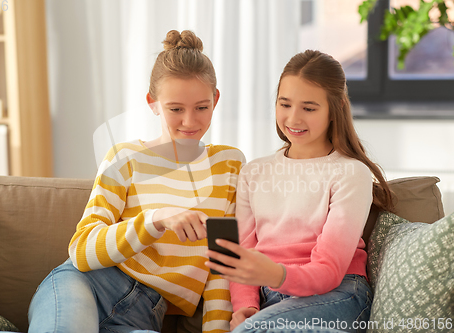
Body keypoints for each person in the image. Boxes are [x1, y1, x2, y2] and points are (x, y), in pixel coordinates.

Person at [27, 30, 245, 333]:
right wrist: (156, 220)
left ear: (215, 99)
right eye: (175, 109)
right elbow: (81, 250)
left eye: (201, 107)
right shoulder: (125, 157)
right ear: (153, 103)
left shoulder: (229, 164)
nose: (190, 121)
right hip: (85, 285)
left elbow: (223, 267)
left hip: (145, 313)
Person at [205, 50, 395, 333]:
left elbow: (329, 271)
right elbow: (242, 252)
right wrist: (247, 306)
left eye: (309, 108)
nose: (293, 118)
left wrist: (273, 273)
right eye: (285, 104)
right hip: (274, 299)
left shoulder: (350, 173)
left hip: (338, 295)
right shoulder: (254, 172)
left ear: (336, 108)